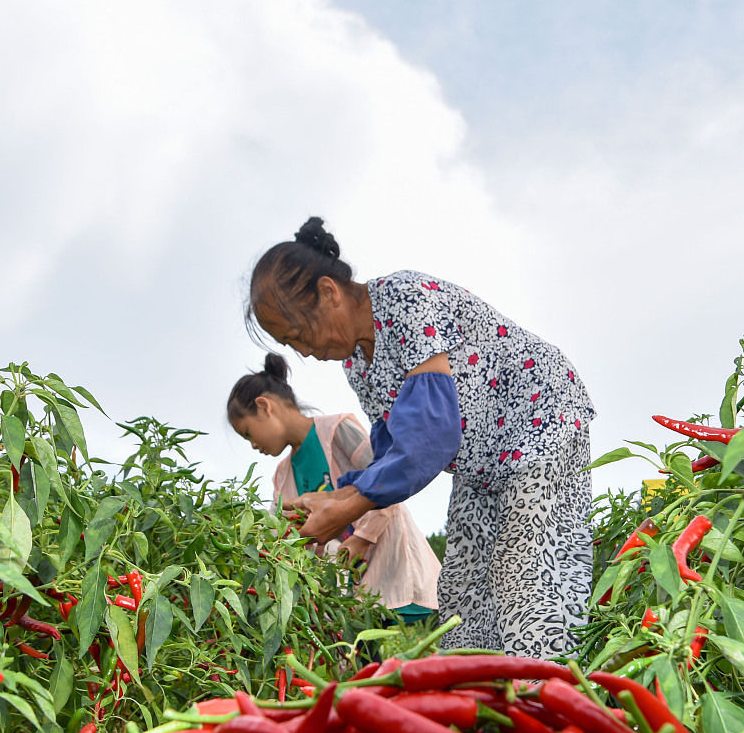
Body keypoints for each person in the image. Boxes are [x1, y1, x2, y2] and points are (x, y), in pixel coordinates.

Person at [244, 216, 595, 657]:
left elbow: (432, 434)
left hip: (539, 421)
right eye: (291, 345)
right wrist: (334, 500)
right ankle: (487, 711)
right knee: (464, 595)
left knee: (526, 579)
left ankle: (553, 703)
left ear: (329, 292)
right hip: (482, 467)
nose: (306, 352)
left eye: (299, 334)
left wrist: (347, 508)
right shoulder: (359, 364)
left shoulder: (402, 299)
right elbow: (394, 454)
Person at [228, 353, 440, 625]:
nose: (253, 445)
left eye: (248, 433)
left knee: (376, 644)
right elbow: (278, 530)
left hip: (387, 561)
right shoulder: (282, 476)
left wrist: (361, 537)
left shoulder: (338, 430)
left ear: (264, 406)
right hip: (344, 589)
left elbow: (387, 480)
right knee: (358, 650)